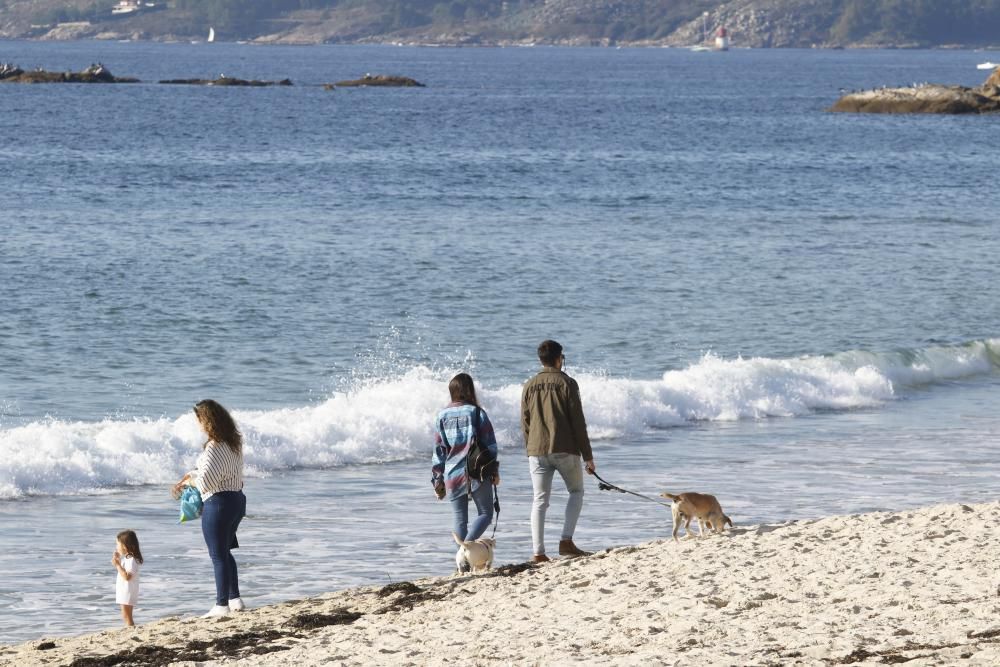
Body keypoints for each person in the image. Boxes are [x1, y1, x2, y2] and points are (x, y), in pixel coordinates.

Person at [521, 340, 596, 563]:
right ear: (558, 358)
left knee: (539, 500)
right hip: (564, 448)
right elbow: (578, 422)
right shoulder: (567, 383)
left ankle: (538, 552)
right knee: (576, 492)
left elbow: (525, 422)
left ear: (540, 360)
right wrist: (588, 456)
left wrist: (530, 448)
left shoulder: (529, 385)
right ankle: (566, 540)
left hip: (536, 449)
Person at [173, 399, 247, 618]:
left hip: (218, 503)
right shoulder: (234, 442)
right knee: (225, 552)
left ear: (207, 421)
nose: (198, 424)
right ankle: (235, 599)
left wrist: (189, 480)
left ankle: (221, 604)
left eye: (199, 419)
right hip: (237, 500)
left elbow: (207, 482)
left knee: (217, 555)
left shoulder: (215, 446)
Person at [432, 373, 500, 571]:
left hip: (452, 473)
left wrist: (437, 479)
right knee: (486, 513)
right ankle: (464, 553)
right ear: (470, 390)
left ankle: (463, 562)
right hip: (476, 472)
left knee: (460, 520)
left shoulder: (441, 415)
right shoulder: (476, 412)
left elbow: (439, 451)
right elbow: (490, 445)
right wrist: (494, 470)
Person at [112, 529, 143, 627]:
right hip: (125, 590)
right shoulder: (128, 559)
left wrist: (117, 565)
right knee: (125, 614)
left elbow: (127, 577)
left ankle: (130, 628)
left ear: (125, 546)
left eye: (118, 545)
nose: (116, 547)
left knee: (126, 615)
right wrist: (118, 561)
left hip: (127, 590)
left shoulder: (131, 560)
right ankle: (130, 627)